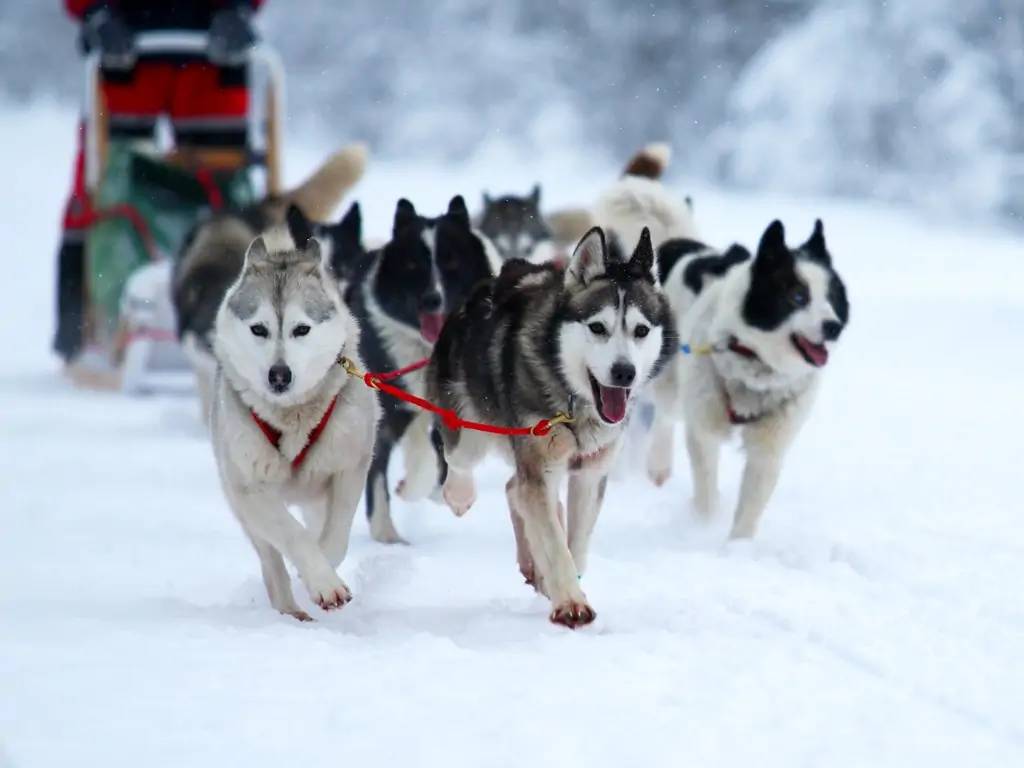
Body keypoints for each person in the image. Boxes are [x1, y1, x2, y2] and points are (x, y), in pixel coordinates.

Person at [55, 0, 264, 363]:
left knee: (227, 188)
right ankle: (83, 325)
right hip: (124, 43)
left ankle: (248, 320)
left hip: (214, 49)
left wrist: (241, 9)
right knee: (104, 182)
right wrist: (96, 13)